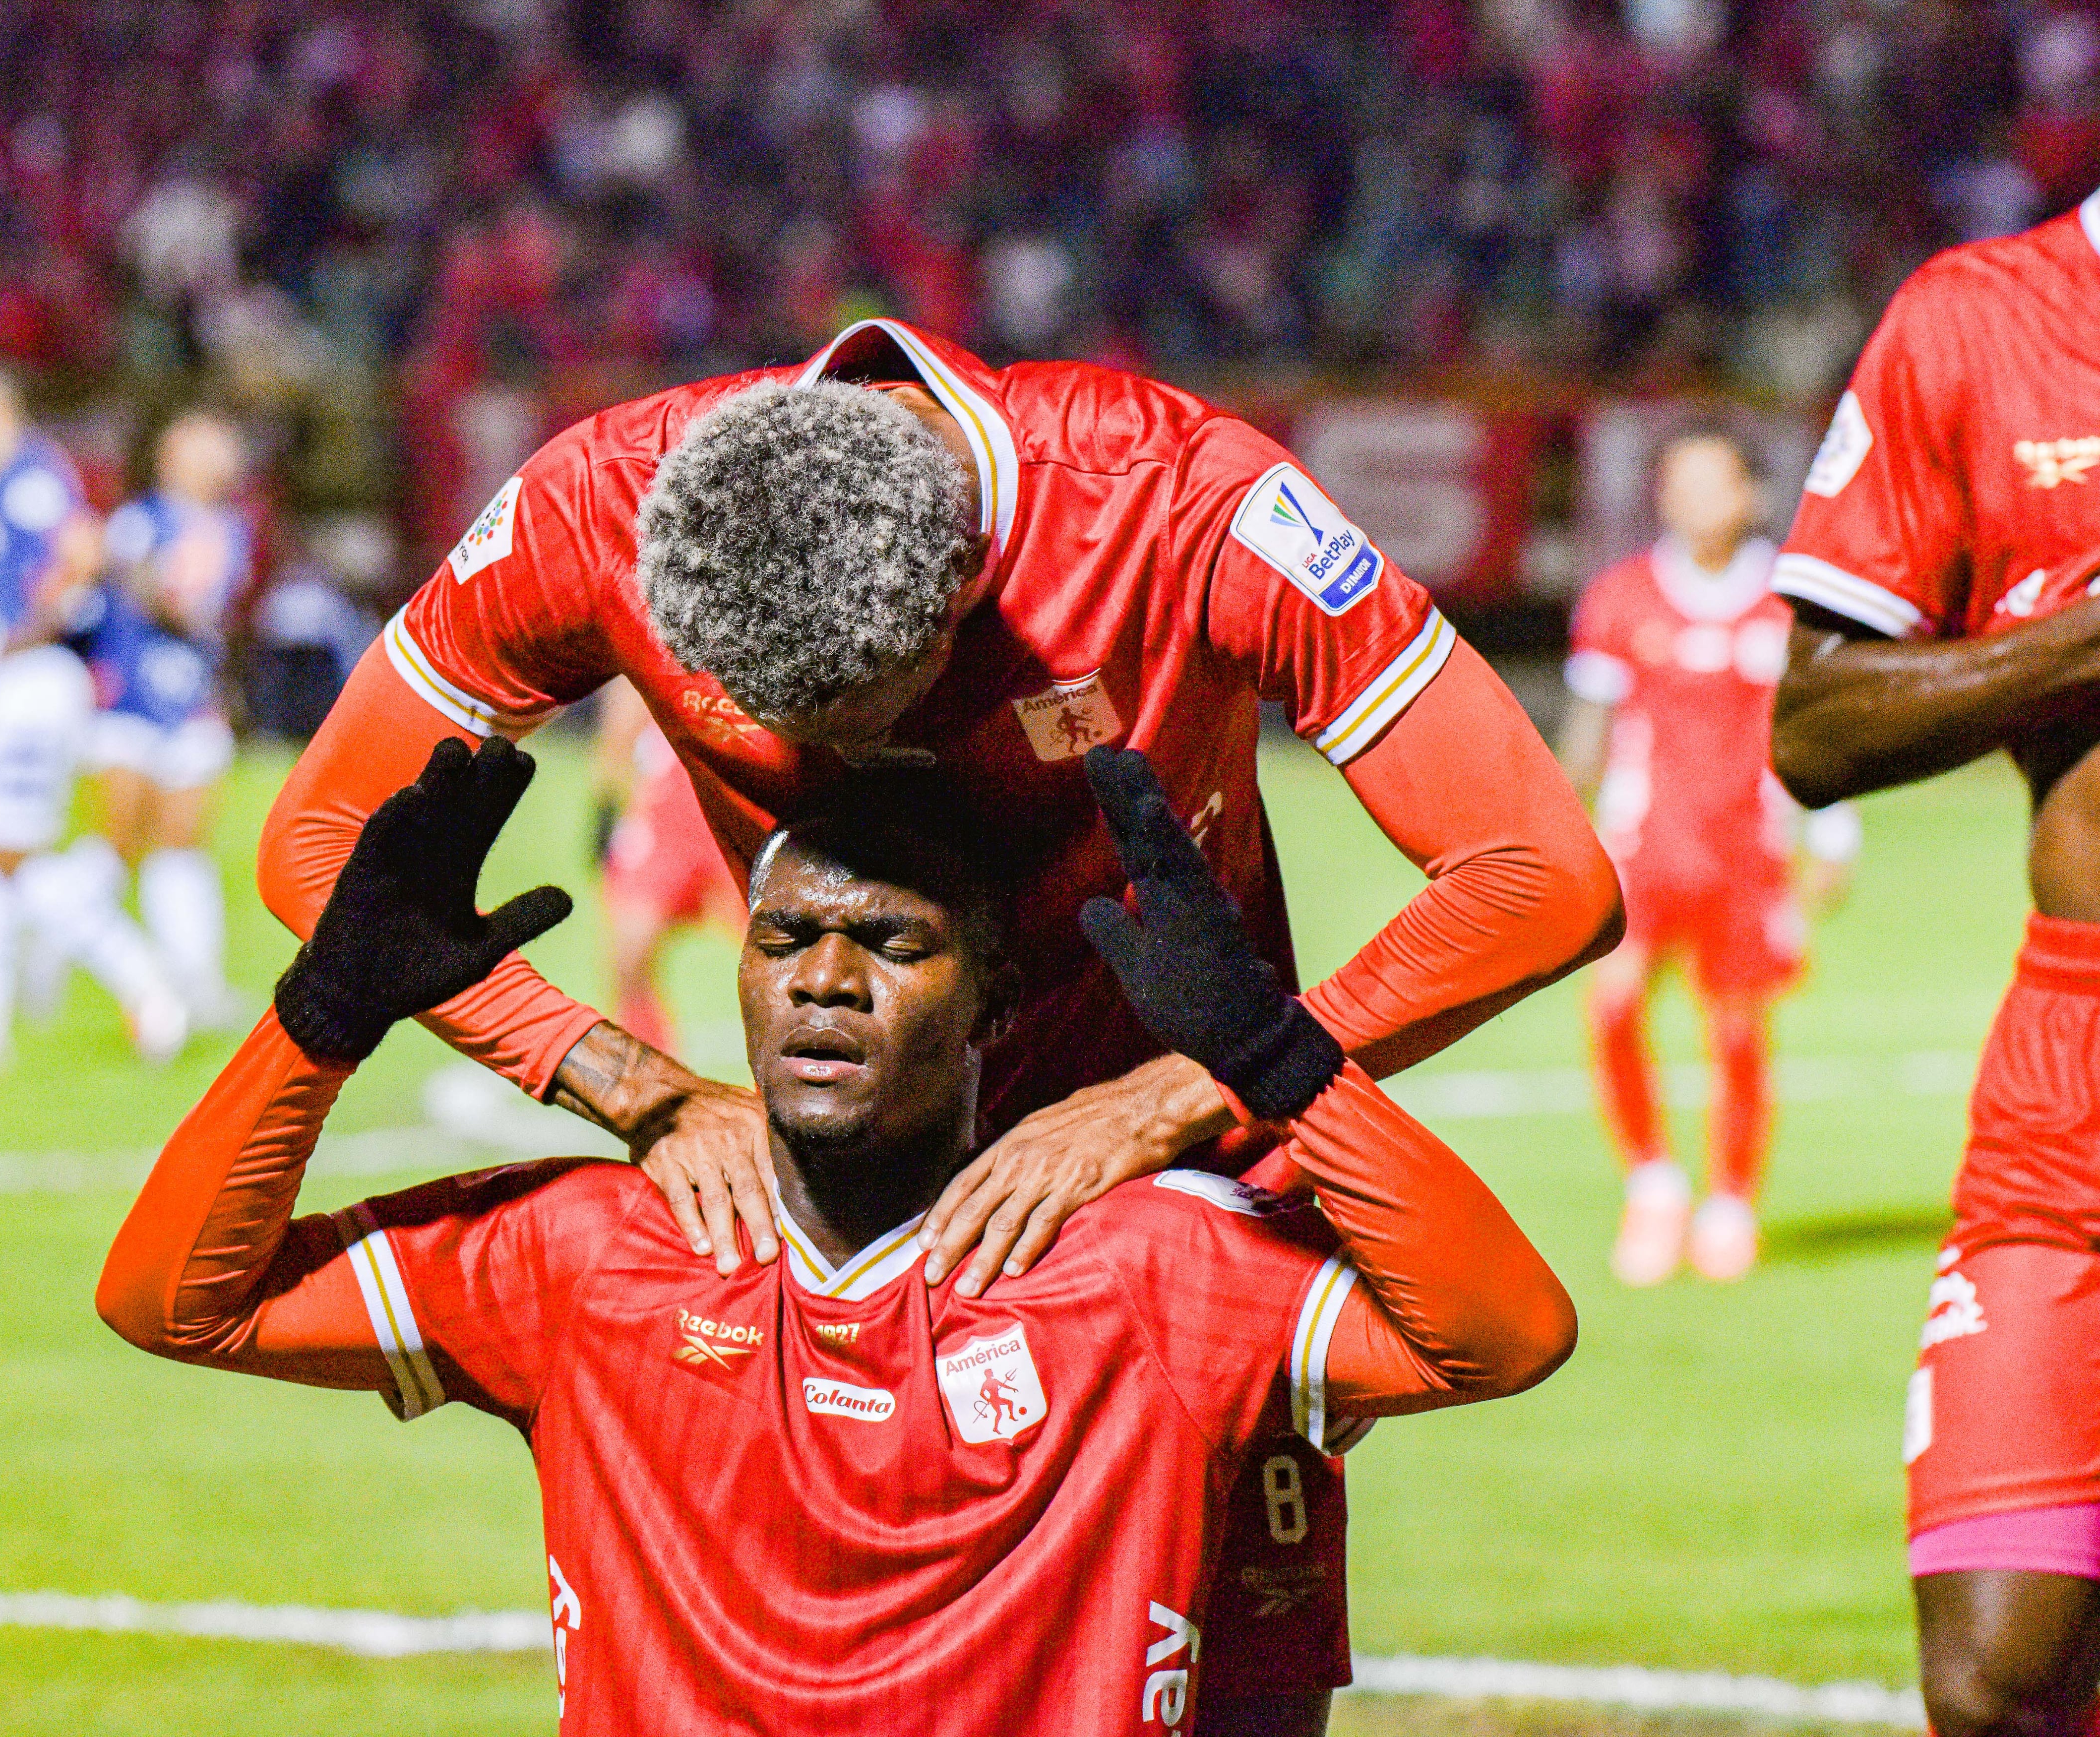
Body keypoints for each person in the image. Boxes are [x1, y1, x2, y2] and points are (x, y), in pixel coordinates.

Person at [256, 318, 1620, 1731]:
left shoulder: (1182, 499)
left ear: (968, 585)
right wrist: (620, 1077)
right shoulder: (596, 500)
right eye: (764, 728)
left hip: (1179, 1205)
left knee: (1236, 1692)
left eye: (854, 714)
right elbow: (321, 842)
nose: (830, 766)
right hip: (857, 1197)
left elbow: (1539, 876)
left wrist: (1180, 1096)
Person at [101, 737, 1575, 1734]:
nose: (822, 978)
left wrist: (1270, 1056)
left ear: (994, 1001)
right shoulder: (595, 1251)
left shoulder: (1140, 1270)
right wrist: (321, 1016)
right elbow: (175, 1301)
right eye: (783, 936)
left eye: (889, 943)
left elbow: (1504, 1331)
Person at [1768, 185, 2100, 1737]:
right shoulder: (1979, 318)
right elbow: (1814, 726)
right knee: (1993, 1676)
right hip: (2072, 1064)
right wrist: (2079, 641)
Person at [1560, 428, 1859, 1286]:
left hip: (1747, 857)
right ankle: (1654, 1186)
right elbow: (1588, 735)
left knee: (1736, 1033)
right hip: (1644, 849)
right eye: (1679, 484)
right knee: (1612, 1007)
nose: (1696, 500)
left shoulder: (1791, 602)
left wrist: (1834, 834)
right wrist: (1557, 837)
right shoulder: (1621, 599)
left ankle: (1730, 1203)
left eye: (1713, 483)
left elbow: (1819, 729)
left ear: (1750, 495)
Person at [0, 359, 187, 1081]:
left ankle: (142, 981)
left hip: (23, 688)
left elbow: (82, 553)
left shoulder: (28, 477)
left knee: (5, 855)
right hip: (2, 688)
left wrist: (19, 636)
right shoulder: (4, 486)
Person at [73, 409, 253, 1028]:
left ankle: (193, 981)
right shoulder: (139, 519)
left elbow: (193, 605)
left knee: (182, 845)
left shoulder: (229, 530)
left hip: (190, 699)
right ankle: (69, 940)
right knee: (118, 841)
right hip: (129, 700)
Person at [592, 677, 743, 1058]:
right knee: (629, 957)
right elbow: (624, 701)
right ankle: (648, 1085)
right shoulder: (657, 629)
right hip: (664, 816)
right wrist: (606, 808)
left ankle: (789, 1092)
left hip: (735, 808)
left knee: (778, 960)